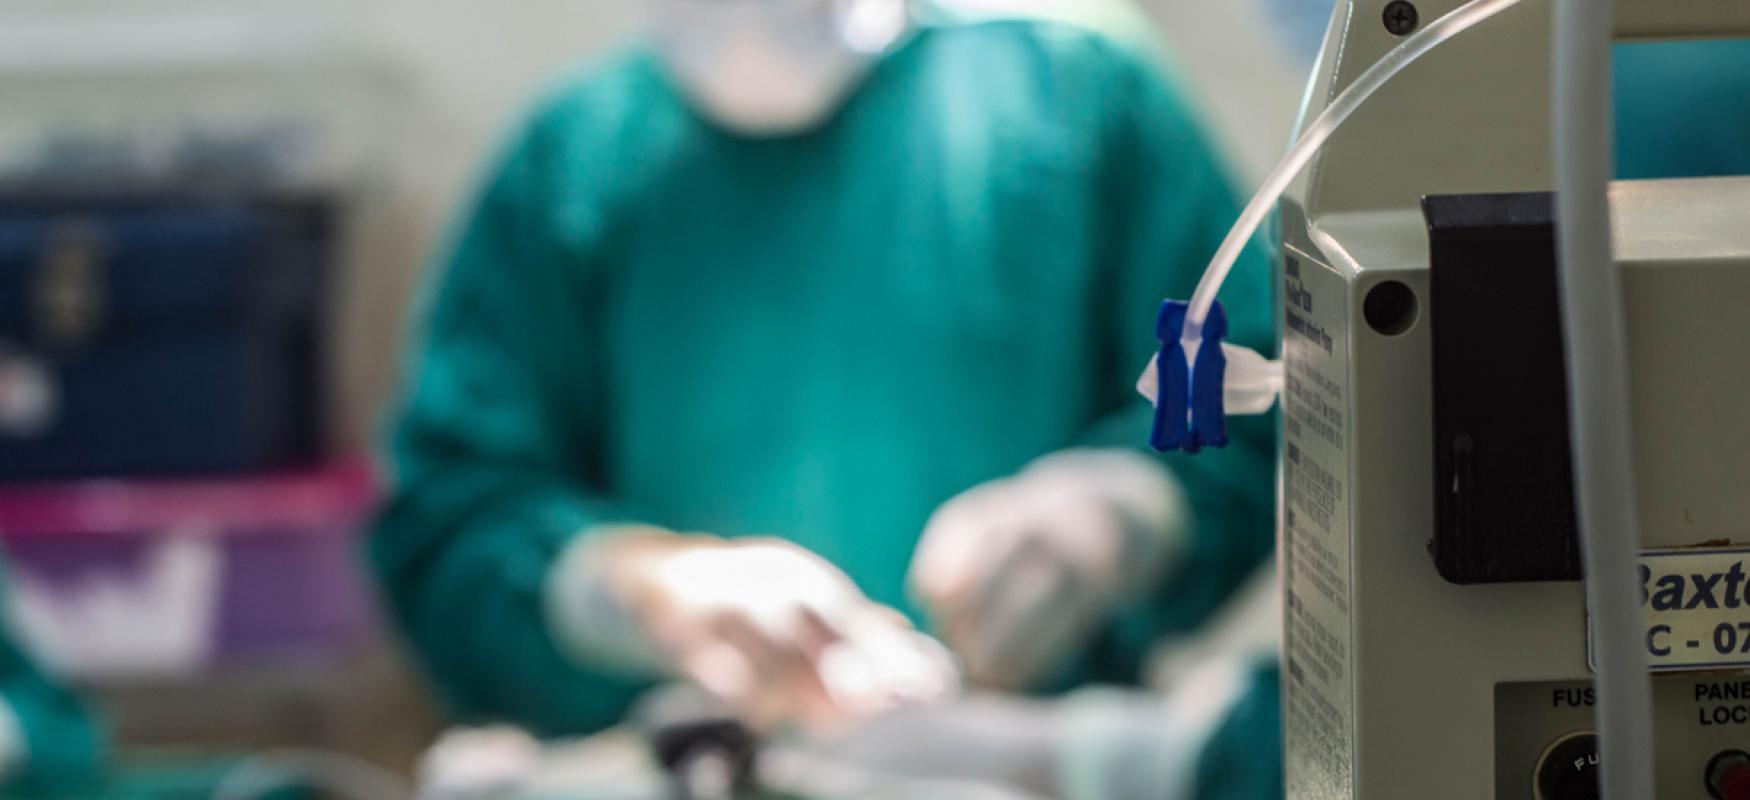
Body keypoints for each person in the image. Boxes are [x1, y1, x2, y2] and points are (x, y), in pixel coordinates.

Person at [372, 0, 1279, 794]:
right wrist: (631, 590)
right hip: (693, 769)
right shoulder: (574, 159)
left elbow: (1248, 392)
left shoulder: (1074, 89)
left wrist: (1119, 511)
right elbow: (451, 520)